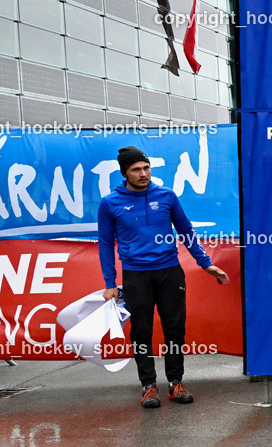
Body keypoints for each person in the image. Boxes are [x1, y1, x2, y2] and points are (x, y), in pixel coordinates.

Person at [98, 146, 230, 409]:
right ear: (125, 172)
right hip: (136, 275)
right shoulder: (110, 203)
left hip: (169, 272)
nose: (143, 173)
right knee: (141, 331)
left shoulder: (166, 196)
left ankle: (175, 383)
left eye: (146, 168)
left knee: (174, 328)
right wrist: (110, 284)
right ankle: (148, 386)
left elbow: (186, 230)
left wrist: (205, 264)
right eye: (136, 169)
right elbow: (104, 243)